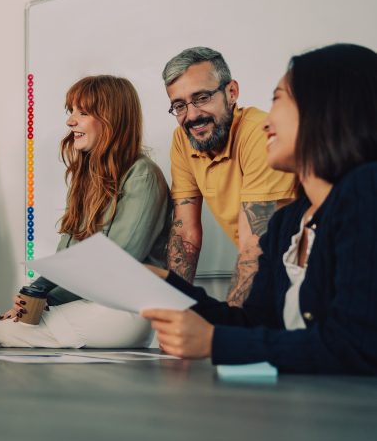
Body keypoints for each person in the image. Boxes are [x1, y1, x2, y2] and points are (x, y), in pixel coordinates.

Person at [143, 43, 377, 373]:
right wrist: (165, 283)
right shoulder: (287, 224)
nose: (267, 122)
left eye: (278, 99)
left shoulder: (367, 188)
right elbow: (254, 322)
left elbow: (357, 344)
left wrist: (214, 342)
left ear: (328, 109)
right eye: (180, 105)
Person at [0, 75, 171, 348]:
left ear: (111, 119)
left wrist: (41, 290)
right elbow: (66, 257)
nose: (71, 121)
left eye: (83, 113)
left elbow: (117, 259)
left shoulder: (143, 175)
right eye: (71, 112)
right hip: (87, 303)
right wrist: (36, 302)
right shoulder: (84, 178)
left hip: (124, 310)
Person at [163, 47, 296, 306]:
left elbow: (254, 245)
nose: (191, 116)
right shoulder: (182, 140)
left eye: (201, 97)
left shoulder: (259, 133)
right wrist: (172, 308)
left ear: (231, 92)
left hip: (297, 273)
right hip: (267, 270)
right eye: (179, 106)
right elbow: (185, 234)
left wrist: (234, 325)